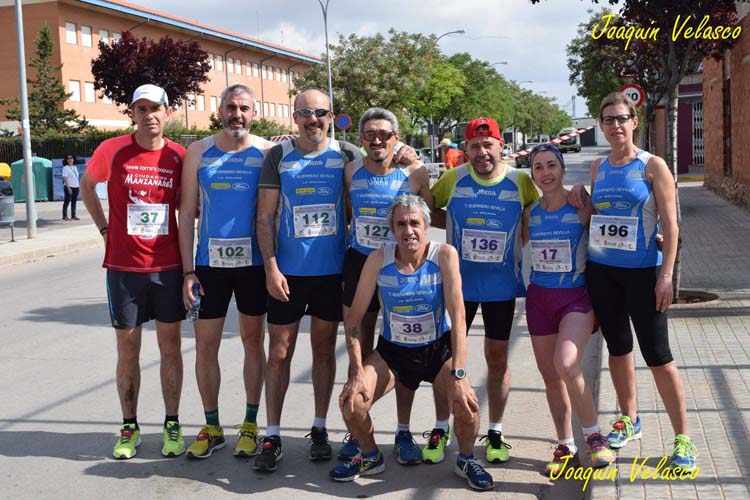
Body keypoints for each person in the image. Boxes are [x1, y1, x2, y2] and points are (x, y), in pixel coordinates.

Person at [331, 194, 494, 490]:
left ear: (427, 226)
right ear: (392, 231)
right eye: (401, 224)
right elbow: (353, 320)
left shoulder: (443, 254)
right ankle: (369, 455)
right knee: (351, 403)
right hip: (394, 352)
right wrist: (356, 370)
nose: (409, 231)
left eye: (415, 223)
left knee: (467, 405)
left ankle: (466, 459)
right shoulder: (378, 259)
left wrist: (459, 374)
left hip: (437, 349)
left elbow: (458, 318)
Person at [569, 92, 696, 471]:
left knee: (658, 356)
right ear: (600, 125)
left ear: (634, 121)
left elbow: (671, 225)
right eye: (608, 120)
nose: (615, 126)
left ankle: (683, 439)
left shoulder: (652, 166)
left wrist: (667, 275)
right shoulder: (597, 168)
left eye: (622, 118)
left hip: (645, 274)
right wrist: (581, 200)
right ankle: (629, 419)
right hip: (603, 272)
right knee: (618, 349)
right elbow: (594, 221)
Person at [254, 88, 362, 472]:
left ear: (330, 116)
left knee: (321, 351)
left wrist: (408, 156)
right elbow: (265, 216)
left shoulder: (347, 154)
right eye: (305, 113)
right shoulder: (279, 156)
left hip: (332, 272)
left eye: (319, 113)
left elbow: (371, 188)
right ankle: (273, 433)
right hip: (288, 273)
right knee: (279, 353)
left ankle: (319, 428)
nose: (312, 119)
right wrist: (270, 267)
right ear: (294, 117)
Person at [80, 83, 186, 459]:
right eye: (141, 109)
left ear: (167, 113)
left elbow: (191, 209)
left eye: (155, 108)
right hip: (124, 268)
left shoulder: (179, 156)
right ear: (133, 114)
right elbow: (87, 184)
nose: (149, 115)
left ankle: (172, 424)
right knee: (128, 348)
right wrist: (105, 229)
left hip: (169, 266)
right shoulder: (113, 149)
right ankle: (129, 427)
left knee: (170, 348)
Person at [340, 107, 449, 465]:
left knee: (405, 338)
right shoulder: (350, 171)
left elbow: (429, 215)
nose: (376, 140)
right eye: (369, 134)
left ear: (396, 137)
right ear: (360, 139)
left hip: (403, 263)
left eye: (384, 134)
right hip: (362, 262)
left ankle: (403, 431)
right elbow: (346, 217)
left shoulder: (414, 171)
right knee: (361, 343)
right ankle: (356, 431)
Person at [431, 117, 538, 464]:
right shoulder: (453, 178)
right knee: (448, 360)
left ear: (500, 146)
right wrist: (449, 224)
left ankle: (495, 428)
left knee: (497, 359)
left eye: (488, 144)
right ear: (466, 150)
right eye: (475, 146)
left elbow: (538, 215)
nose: (482, 152)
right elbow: (425, 209)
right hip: (459, 285)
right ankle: (441, 425)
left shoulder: (521, 181)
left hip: (501, 286)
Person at [178, 84, 273, 459]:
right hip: (209, 266)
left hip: (252, 265)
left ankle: (250, 424)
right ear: (221, 111)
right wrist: (188, 270)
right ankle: (212, 425)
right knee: (206, 345)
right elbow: (187, 212)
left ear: (254, 113)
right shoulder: (199, 152)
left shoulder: (266, 151)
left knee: (253, 342)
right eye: (231, 107)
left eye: (244, 108)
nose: (238, 114)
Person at [521, 144, 614, 476]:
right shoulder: (529, 213)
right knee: (551, 378)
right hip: (539, 300)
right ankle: (565, 445)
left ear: (562, 170)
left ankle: (593, 437)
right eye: (538, 168)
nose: (545, 173)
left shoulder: (580, 204)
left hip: (575, 298)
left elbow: (614, 217)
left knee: (567, 362)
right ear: (532, 174)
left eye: (551, 166)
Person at [62, 154, 80, 221]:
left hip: (76, 186)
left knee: (74, 201)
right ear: (66, 160)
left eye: (71, 158)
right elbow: (65, 178)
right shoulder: (65, 168)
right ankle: (65, 215)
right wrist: (68, 187)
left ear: (73, 159)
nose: (70, 159)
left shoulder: (75, 167)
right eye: (68, 158)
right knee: (67, 201)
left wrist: (78, 186)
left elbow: (76, 177)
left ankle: (73, 215)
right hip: (69, 186)